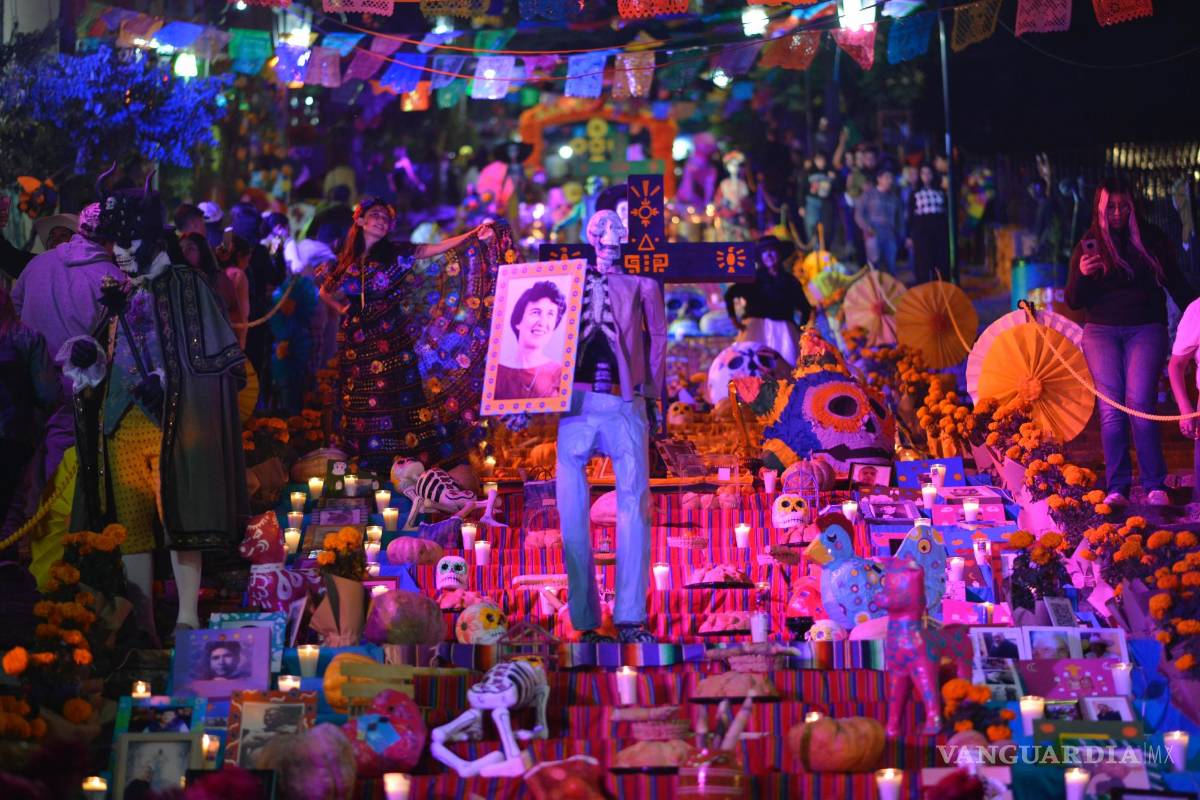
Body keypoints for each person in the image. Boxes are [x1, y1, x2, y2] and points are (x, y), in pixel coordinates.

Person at [67, 173, 248, 642]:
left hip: (175, 428)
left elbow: (219, 362)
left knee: (179, 523)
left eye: (129, 243)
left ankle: (187, 614)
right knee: (131, 528)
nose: (120, 253)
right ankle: (142, 621)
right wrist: (87, 358)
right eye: (114, 244)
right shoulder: (120, 290)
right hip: (119, 427)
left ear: (153, 238)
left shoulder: (188, 286)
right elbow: (106, 349)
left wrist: (170, 385)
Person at [317, 197, 496, 471]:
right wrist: (343, 309)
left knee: (395, 396)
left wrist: (472, 234)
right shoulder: (346, 257)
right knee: (360, 400)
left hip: (390, 338)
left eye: (386, 219)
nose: (380, 221)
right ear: (360, 220)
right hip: (356, 343)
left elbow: (435, 248)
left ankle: (403, 463)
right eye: (375, 215)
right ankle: (369, 461)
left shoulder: (396, 254)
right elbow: (325, 290)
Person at [555, 209, 666, 645]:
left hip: (625, 401)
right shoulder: (569, 281)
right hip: (576, 403)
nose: (610, 237)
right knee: (571, 509)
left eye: (618, 229)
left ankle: (630, 617)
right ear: (589, 234)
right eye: (602, 229)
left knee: (635, 505)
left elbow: (657, 338)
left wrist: (654, 395)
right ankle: (583, 618)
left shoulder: (643, 285)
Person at [1067, 178, 1195, 507]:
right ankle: (1118, 487)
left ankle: (1155, 485)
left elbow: (1178, 285)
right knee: (1111, 409)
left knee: (1140, 404)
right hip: (1101, 332)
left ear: (1132, 205)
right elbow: (1073, 300)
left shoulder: (1152, 239)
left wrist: (1197, 311)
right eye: (1111, 206)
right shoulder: (1089, 242)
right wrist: (1082, 273)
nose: (1118, 212)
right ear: (1099, 207)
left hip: (1145, 329)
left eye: (1124, 205)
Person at [0, 286, 60, 553]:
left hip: (14, 432)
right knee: (13, 506)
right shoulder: (27, 337)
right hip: (16, 435)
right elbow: (47, 394)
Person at [723, 237, 812, 365]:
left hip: (784, 332)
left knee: (787, 367)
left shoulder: (790, 281)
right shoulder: (752, 278)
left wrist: (799, 329)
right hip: (755, 329)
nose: (769, 255)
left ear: (779, 254)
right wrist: (734, 321)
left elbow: (805, 307)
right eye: (765, 252)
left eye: (772, 251)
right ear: (760, 256)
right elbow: (729, 295)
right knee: (753, 366)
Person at [494, 281, 566, 400]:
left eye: (550, 314)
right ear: (518, 321)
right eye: (536, 312)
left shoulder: (561, 373)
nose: (542, 322)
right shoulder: (497, 373)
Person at [906, 164, 950, 284]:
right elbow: (910, 215)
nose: (926, 176)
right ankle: (924, 289)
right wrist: (909, 235)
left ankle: (941, 288)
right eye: (923, 173)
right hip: (922, 230)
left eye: (928, 173)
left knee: (940, 260)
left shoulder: (941, 192)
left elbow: (946, 212)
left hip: (939, 229)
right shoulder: (914, 193)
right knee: (923, 261)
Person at [856, 169, 902, 275]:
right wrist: (867, 227)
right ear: (879, 179)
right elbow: (858, 214)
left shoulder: (894, 198)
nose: (890, 181)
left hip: (890, 234)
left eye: (891, 178)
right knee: (874, 266)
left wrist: (899, 234)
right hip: (873, 233)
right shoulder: (868, 195)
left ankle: (891, 291)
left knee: (891, 266)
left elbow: (899, 219)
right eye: (887, 178)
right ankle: (874, 290)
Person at [216, 236, 252, 349]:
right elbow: (243, 311)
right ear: (240, 255)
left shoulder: (218, 273)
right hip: (234, 334)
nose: (247, 264)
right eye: (248, 259)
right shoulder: (238, 275)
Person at [803, 152, 838, 249]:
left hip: (826, 203)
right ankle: (815, 249)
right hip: (812, 202)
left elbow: (837, 189)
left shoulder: (830, 172)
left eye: (822, 160)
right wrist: (801, 206)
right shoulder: (809, 172)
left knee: (827, 228)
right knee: (811, 225)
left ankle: (825, 249)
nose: (821, 162)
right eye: (818, 160)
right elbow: (802, 189)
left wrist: (833, 179)